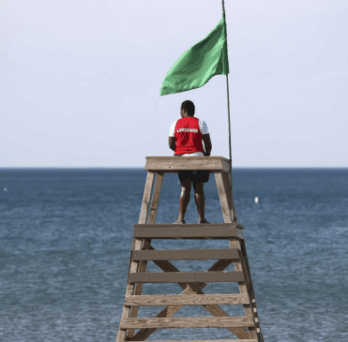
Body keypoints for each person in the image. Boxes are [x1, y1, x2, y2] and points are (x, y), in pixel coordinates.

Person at [168, 100, 212, 224]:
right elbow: (208, 144)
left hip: (181, 158)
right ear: (193, 111)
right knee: (199, 189)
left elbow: (171, 143)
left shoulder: (175, 123)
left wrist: (180, 150)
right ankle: (201, 219)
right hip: (198, 157)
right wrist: (206, 155)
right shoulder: (200, 123)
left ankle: (180, 218)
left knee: (184, 188)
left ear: (182, 110)